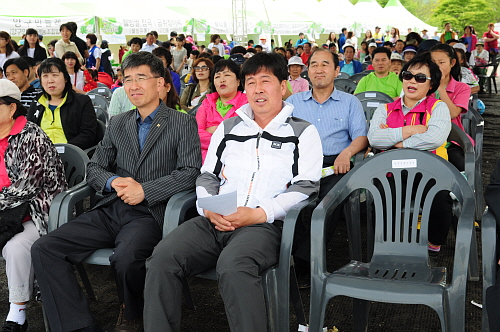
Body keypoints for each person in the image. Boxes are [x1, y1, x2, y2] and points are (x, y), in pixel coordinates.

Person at [143, 51, 322, 332]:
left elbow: (307, 186)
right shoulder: (228, 128)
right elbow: (207, 175)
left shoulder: (302, 132)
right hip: (215, 218)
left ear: (283, 86)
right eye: (250, 82)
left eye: (266, 81)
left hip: (264, 226)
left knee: (233, 266)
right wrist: (208, 207)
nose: (257, 89)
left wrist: (259, 214)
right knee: (162, 258)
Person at [31, 51, 201, 332]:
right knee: (45, 248)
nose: (133, 85)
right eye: (128, 79)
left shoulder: (181, 122)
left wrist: (144, 190)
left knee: (126, 257)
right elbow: (95, 167)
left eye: (141, 78)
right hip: (112, 207)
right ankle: (77, 325)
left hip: (150, 212)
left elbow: (190, 173)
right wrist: (113, 183)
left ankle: (131, 311)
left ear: (160, 84)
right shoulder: (119, 121)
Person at [286, 49, 367, 282]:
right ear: (307, 71)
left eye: (325, 64)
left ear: (336, 70)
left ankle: (302, 263)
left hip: (336, 163)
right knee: (288, 200)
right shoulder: (293, 103)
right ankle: (293, 255)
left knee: (326, 203)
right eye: (313, 65)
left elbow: (361, 137)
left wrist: (348, 152)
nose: (319, 69)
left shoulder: (350, 102)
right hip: (300, 162)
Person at [368, 52, 453, 260]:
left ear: (431, 85)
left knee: (441, 199)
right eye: (408, 75)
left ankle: (433, 243)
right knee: (381, 196)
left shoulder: (438, 107)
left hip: (429, 168)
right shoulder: (385, 108)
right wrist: (410, 130)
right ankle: (389, 244)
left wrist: (398, 143)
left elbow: (434, 137)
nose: (412, 81)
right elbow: (375, 139)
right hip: (392, 170)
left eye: (420, 78)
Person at [0, 79, 67, 332]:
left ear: (11, 108)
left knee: (16, 248)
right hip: (6, 212)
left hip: (38, 212)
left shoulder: (31, 136)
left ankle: (17, 313)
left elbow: (28, 185)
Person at [27, 58, 99, 150]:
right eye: (45, 76)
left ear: (65, 78)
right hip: (41, 157)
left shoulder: (82, 102)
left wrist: (64, 150)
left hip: (71, 155)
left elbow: (88, 134)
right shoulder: (37, 102)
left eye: (55, 75)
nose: (50, 80)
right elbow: (29, 133)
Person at [195, 59, 247, 162]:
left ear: (238, 81)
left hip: (238, 161)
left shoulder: (247, 104)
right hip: (205, 162)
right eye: (217, 76)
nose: (221, 80)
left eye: (227, 75)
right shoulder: (206, 104)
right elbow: (195, 134)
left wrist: (213, 130)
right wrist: (225, 136)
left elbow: (246, 137)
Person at [430, 43, 471, 171]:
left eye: (441, 62)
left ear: (452, 63)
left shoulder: (462, 88)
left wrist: (440, 87)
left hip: (451, 139)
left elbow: (453, 113)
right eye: (433, 62)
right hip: (425, 137)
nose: (436, 66)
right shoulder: (423, 84)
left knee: (459, 166)